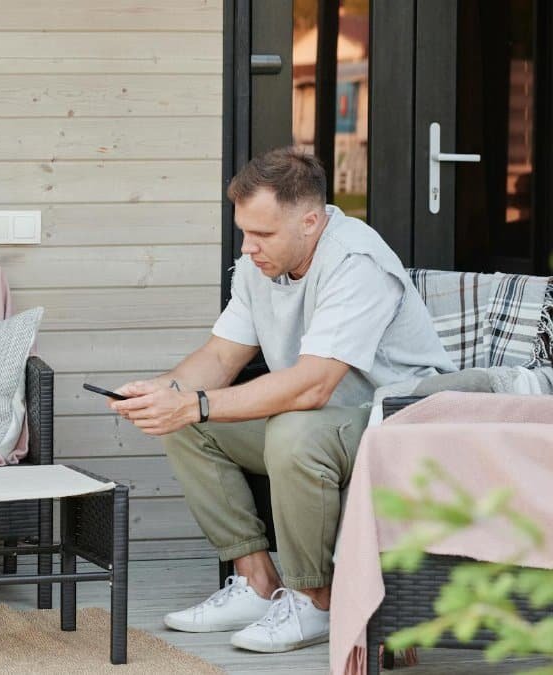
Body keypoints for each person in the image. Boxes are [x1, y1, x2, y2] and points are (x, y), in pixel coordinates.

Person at [111, 147, 454, 653]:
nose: (248, 247)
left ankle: (316, 600)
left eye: (263, 234)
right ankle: (257, 584)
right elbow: (221, 358)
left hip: (398, 423)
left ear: (311, 222)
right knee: (187, 421)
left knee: (289, 430)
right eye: (244, 232)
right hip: (328, 420)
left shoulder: (356, 262)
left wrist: (196, 402)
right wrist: (165, 392)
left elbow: (314, 385)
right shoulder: (261, 265)